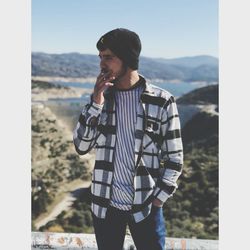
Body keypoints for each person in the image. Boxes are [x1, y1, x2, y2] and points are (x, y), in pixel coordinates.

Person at [73, 28, 183, 250]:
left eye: (108, 58)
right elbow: (81, 145)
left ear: (128, 58)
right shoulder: (101, 100)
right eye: (100, 58)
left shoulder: (162, 101)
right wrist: (95, 102)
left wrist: (157, 200)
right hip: (105, 206)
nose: (102, 64)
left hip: (146, 205)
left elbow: (175, 159)